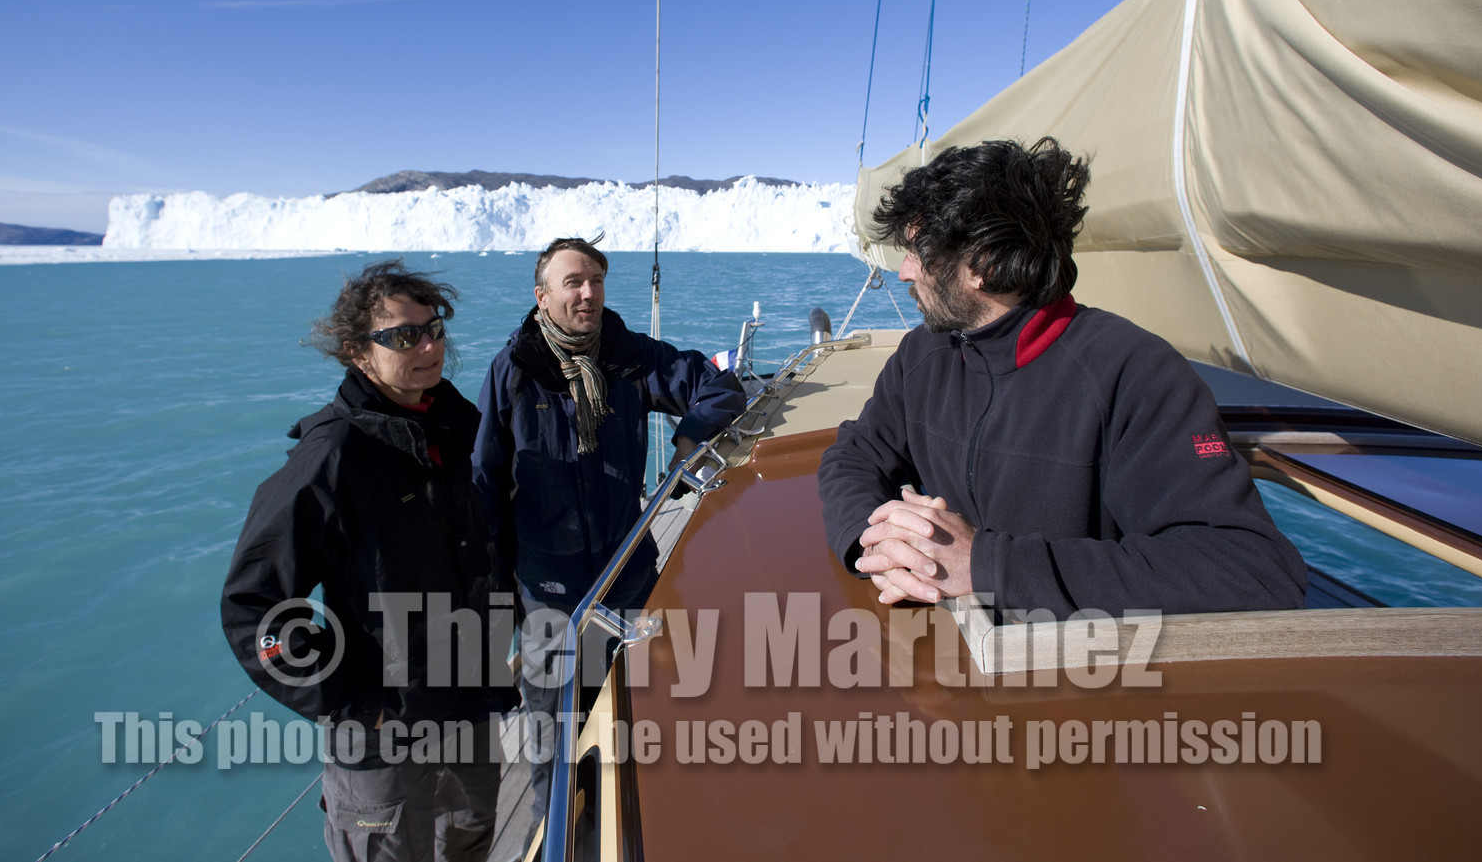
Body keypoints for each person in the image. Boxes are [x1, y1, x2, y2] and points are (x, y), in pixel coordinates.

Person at [819, 139, 1307, 619]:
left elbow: (1253, 569)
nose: (905, 272)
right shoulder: (924, 355)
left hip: (1081, 660)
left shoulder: (1136, 374)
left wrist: (985, 565)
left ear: (985, 263)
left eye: (919, 251)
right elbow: (854, 455)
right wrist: (874, 544)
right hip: (951, 645)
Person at [222, 260, 516, 862]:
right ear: (359, 353)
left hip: (467, 698)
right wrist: (352, 704)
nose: (430, 347)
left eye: (434, 329)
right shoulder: (333, 454)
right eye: (404, 336)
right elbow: (253, 606)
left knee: (472, 829)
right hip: (384, 730)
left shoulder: (451, 425)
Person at [474, 236, 745, 830]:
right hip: (549, 583)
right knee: (554, 725)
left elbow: (718, 384)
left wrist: (692, 434)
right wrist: (494, 592)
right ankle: (560, 828)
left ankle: (637, 813)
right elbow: (486, 482)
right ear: (542, 296)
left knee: (634, 698)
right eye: (572, 282)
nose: (588, 293)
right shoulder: (514, 371)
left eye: (595, 281)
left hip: (627, 569)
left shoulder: (628, 356)